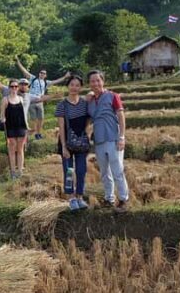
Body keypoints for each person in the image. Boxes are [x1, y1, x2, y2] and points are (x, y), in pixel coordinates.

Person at [86, 69, 130, 213]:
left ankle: (123, 199)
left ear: (103, 81)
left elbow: (121, 116)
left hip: (113, 139)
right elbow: (87, 119)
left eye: (98, 80)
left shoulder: (113, 96)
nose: (95, 83)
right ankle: (109, 198)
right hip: (99, 141)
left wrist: (122, 137)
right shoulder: (91, 101)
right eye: (92, 81)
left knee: (117, 171)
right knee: (105, 172)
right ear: (89, 84)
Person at [55, 75, 91, 211]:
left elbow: (88, 121)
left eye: (77, 85)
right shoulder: (62, 105)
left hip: (81, 142)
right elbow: (61, 127)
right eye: (72, 85)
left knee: (81, 171)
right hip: (67, 143)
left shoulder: (85, 104)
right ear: (68, 86)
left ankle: (80, 196)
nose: (74, 87)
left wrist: (86, 135)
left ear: (80, 87)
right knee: (69, 171)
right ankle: (71, 197)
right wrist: (64, 146)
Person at [16, 57, 70, 140]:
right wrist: (18, 62)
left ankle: (38, 133)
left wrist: (65, 77)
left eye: (44, 73)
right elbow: (24, 71)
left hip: (40, 101)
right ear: (39, 73)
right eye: (41, 72)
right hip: (32, 100)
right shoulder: (33, 78)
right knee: (33, 118)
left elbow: (57, 81)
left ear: (45, 75)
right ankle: (32, 132)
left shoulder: (46, 82)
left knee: (41, 118)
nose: (42, 74)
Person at [0, 79, 32, 179]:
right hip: (10, 126)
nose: (14, 88)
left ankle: (20, 171)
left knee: (20, 148)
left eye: (16, 86)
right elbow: (2, 115)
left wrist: (27, 127)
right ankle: (13, 171)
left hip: (21, 126)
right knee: (12, 148)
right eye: (12, 86)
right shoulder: (5, 99)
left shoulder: (21, 99)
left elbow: (23, 114)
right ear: (9, 88)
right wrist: (3, 119)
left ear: (18, 88)